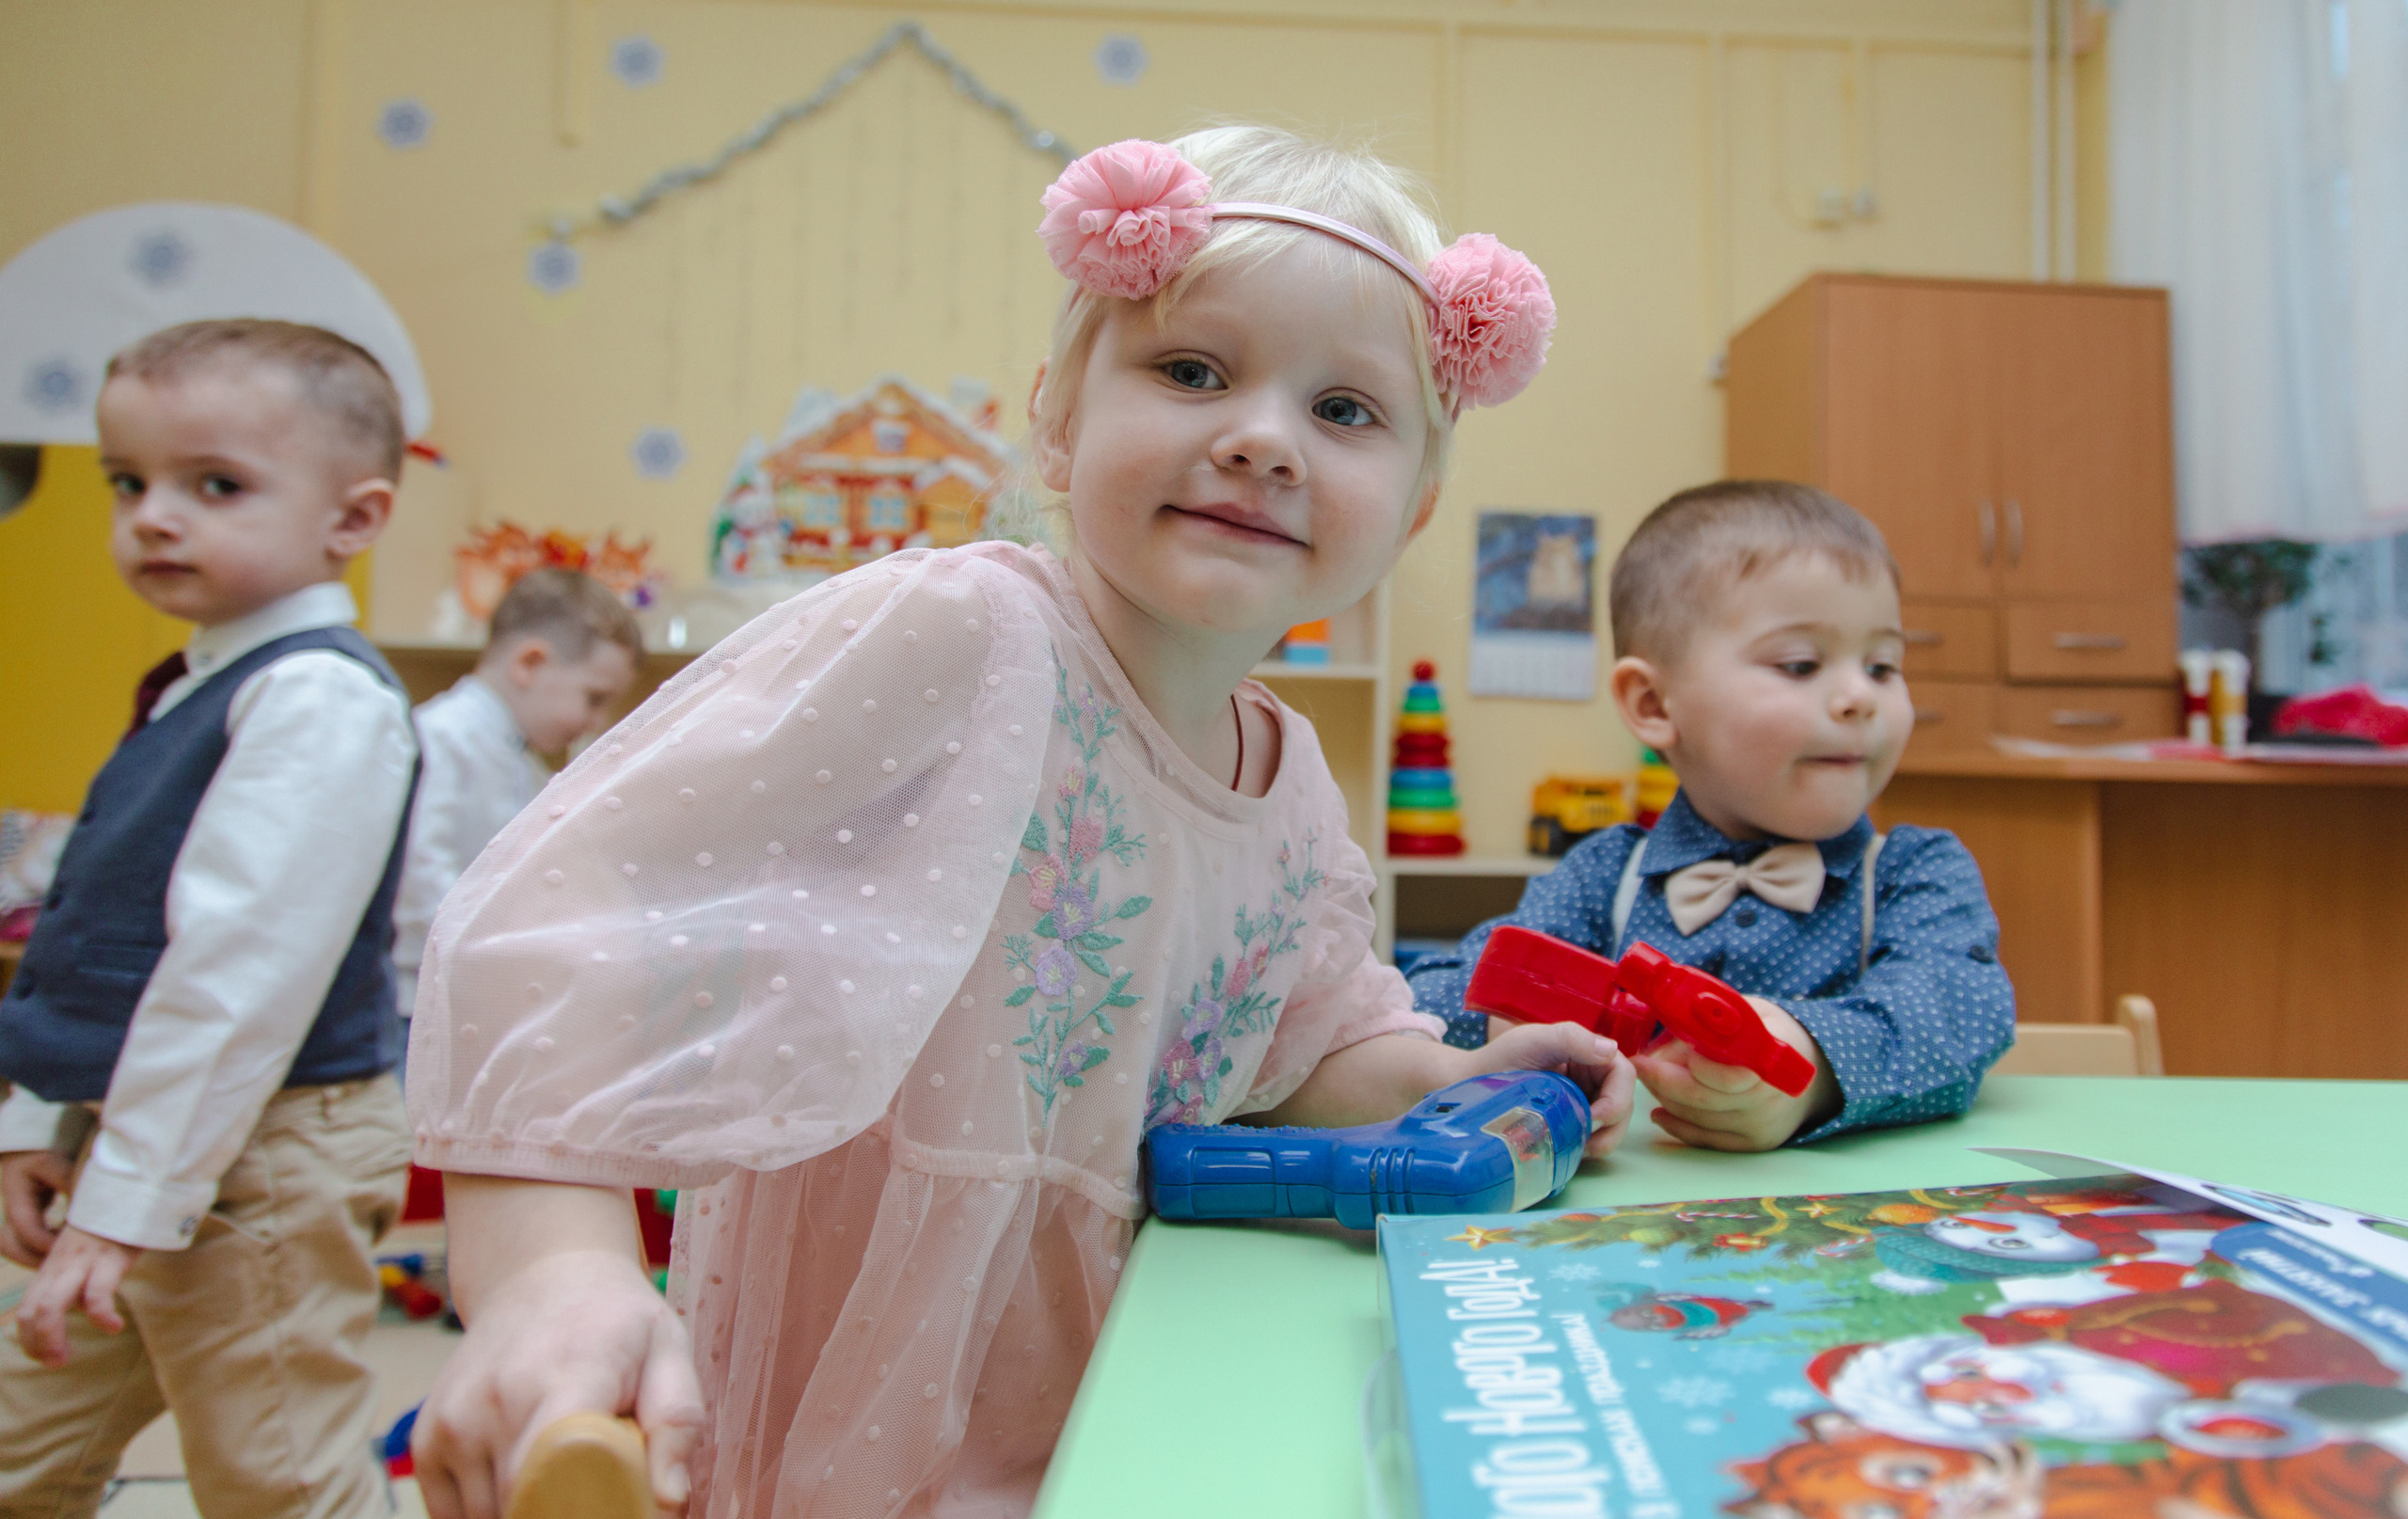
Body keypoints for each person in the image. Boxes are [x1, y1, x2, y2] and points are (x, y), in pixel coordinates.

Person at [406, 125, 1627, 1519]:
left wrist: (1448, 1067)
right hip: (855, 1405)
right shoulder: (959, 634)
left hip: (1118, 1396)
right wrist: (552, 1266)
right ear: (1055, 418)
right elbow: (576, 901)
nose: (1260, 437)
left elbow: (1302, 1040)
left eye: (1347, 411)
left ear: (1413, 513)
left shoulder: (1290, 782)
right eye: (1191, 369)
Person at [0, 319, 420, 1516]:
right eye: (127, 483)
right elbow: (88, 933)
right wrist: (42, 1115)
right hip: (147, 1134)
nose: (155, 517)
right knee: (20, 1448)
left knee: (275, 1476)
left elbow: (238, 978)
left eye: (215, 485)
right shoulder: (201, 684)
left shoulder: (319, 701)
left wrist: (123, 1204)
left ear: (352, 519)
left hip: (267, 1156)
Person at [1407, 481, 2013, 1151]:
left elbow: (1960, 1008)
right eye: (1801, 663)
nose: (1858, 697)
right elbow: (1442, 991)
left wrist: (1810, 1066)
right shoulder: (1606, 874)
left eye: (1882, 665)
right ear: (1655, 706)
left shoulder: (1915, 871)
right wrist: (1508, 1021)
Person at [393, 567, 641, 1077]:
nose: (594, 721)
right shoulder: (440, 739)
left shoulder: (518, 759)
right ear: (530, 663)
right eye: (594, 699)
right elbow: (420, 882)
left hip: (473, 997)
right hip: (416, 1006)